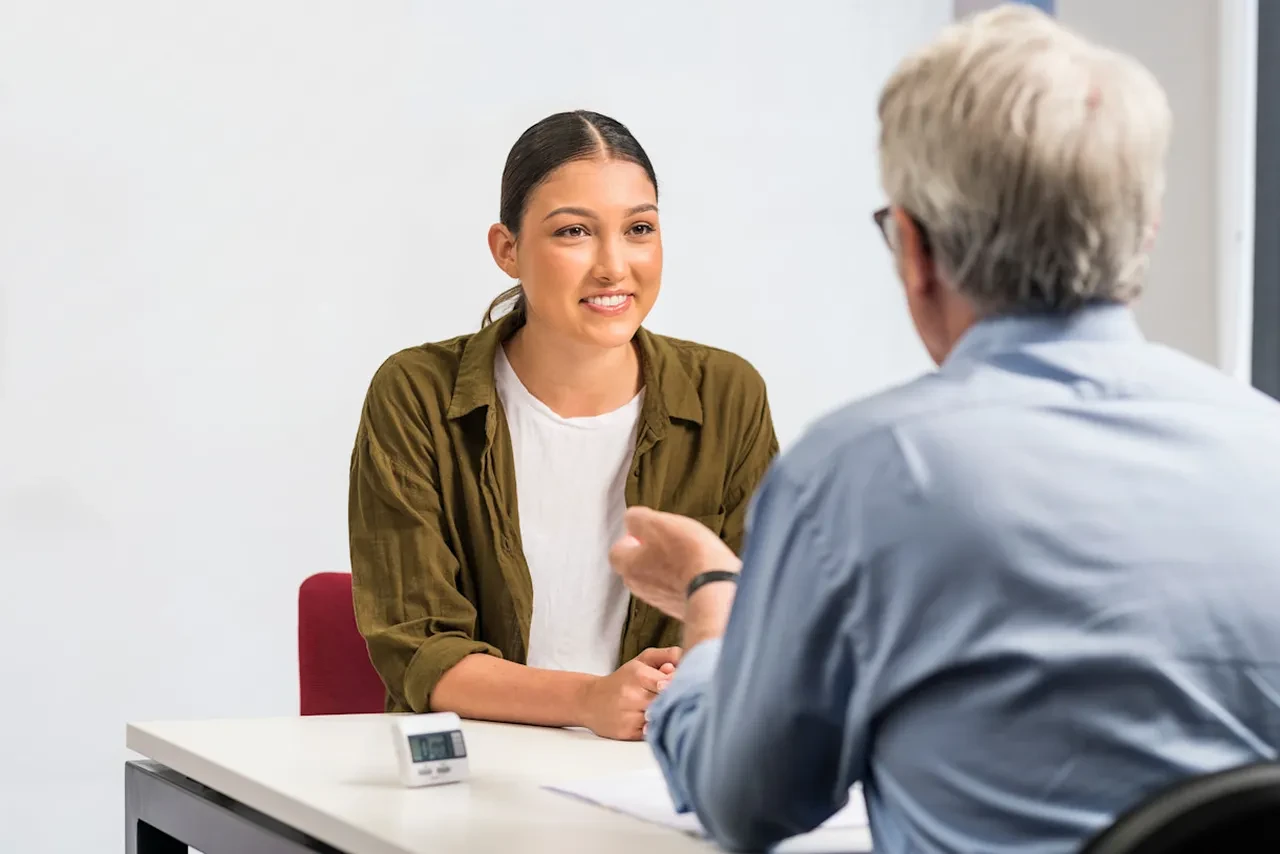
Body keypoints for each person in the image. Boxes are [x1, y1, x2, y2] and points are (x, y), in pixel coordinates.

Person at [609, 5, 1280, 852]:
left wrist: (714, 601)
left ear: (916, 251)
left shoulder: (856, 476)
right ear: (1140, 239)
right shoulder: (1269, 449)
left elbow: (746, 805)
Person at [347, 110, 778, 741]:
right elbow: (419, 651)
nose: (613, 266)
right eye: (574, 232)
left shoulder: (727, 394)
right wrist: (591, 700)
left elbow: (761, 615)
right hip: (476, 772)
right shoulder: (417, 394)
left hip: (658, 771)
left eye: (639, 229)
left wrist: (700, 672)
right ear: (508, 249)